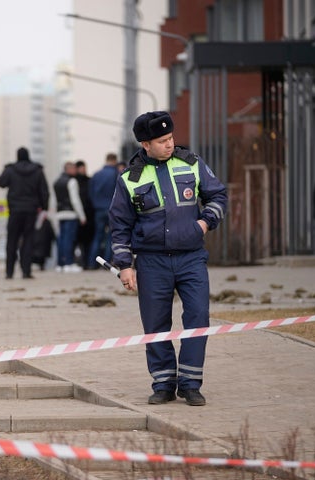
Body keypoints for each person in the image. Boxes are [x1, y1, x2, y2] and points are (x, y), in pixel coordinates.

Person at [108, 111, 228, 407]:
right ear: (145, 144)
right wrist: (125, 266)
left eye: (171, 138)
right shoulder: (130, 179)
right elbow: (119, 225)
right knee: (156, 323)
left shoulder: (192, 163)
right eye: (162, 141)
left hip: (191, 258)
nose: (170, 144)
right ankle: (163, 383)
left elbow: (218, 197)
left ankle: (190, 383)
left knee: (198, 317)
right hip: (151, 262)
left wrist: (203, 223)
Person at [0, 146, 50, 279]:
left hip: (14, 211)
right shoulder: (37, 170)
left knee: (12, 241)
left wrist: (5, 170)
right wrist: (44, 208)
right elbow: (44, 191)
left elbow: (1, 183)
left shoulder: (10, 169)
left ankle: (9, 272)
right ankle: (26, 271)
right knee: (28, 241)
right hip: (31, 211)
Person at [87, 152, 119, 269]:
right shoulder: (116, 174)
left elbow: (90, 193)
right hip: (111, 209)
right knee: (111, 237)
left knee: (97, 236)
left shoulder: (96, 175)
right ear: (114, 160)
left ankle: (91, 263)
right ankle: (106, 264)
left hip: (98, 209)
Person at [53, 161, 87, 273]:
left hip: (59, 214)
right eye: (73, 168)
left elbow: (53, 200)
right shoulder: (72, 181)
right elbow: (75, 200)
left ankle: (60, 264)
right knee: (69, 240)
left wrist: (53, 215)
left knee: (61, 240)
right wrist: (82, 215)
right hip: (71, 214)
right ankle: (69, 263)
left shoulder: (56, 182)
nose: (75, 171)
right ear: (69, 169)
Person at [74, 160, 95, 268]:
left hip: (90, 215)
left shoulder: (89, 180)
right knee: (79, 242)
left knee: (88, 241)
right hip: (79, 216)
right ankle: (82, 262)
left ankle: (87, 262)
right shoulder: (74, 181)